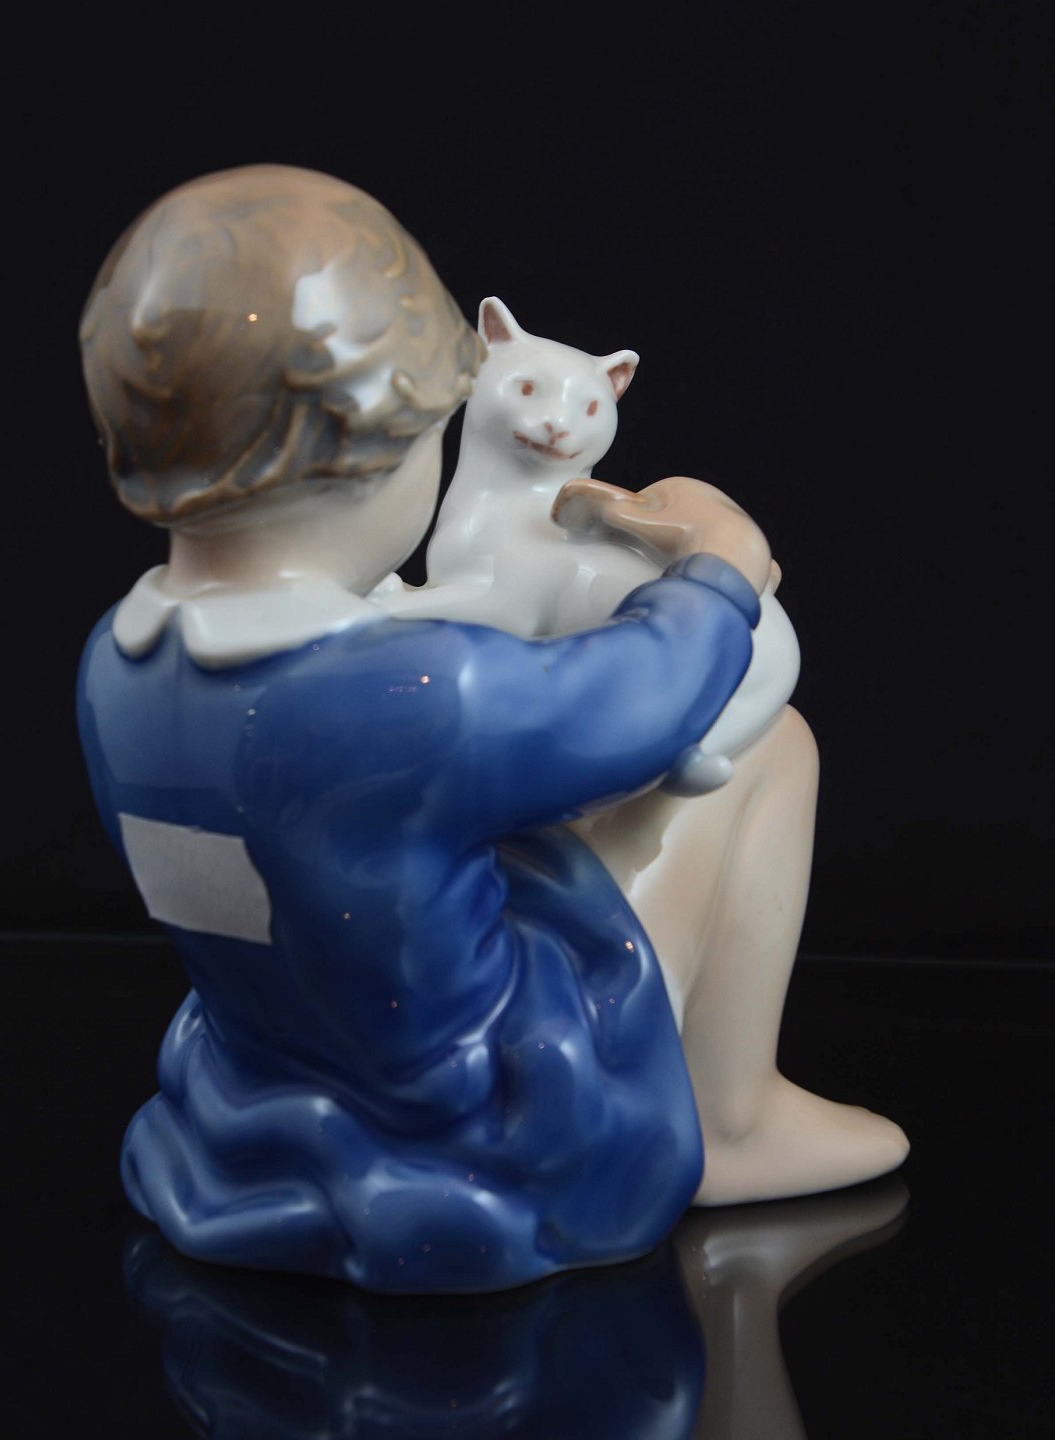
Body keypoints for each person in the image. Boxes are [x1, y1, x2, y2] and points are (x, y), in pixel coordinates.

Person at [77, 166, 898, 1293]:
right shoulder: (409, 692)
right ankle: (733, 1117)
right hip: (492, 1108)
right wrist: (720, 564)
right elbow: (652, 695)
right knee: (768, 743)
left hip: (266, 1056)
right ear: (374, 450)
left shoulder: (112, 667)